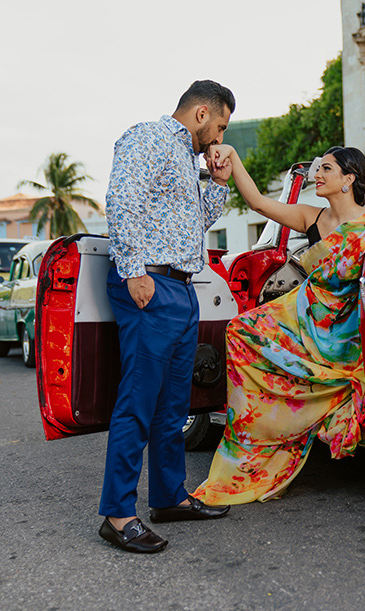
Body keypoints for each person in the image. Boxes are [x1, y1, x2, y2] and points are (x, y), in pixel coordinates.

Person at [192, 144, 365, 505]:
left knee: (246, 331)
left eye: (326, 169)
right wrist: (233, 157)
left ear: (349, 178)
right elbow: (258, 204)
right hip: (305, 315)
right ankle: (263, 432)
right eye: (318, 168)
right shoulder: (311, 217)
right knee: (240, 332)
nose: (318, 174)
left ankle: (316, 399)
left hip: (344, 332)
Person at [99, 80, 236, 554]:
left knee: (174, 408)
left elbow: (193, 225)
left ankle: (169, 497)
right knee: (137, 404)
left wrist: (218, 182)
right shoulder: (148, 137)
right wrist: (134, 271)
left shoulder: (188, 160)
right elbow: (122, 201)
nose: (219, 138)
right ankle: (117, 515)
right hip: (150, 284)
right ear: (201, 114)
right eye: (220, 127)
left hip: (181, 288)